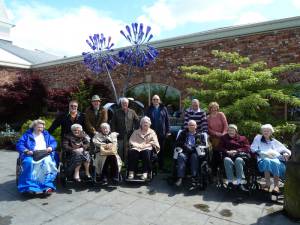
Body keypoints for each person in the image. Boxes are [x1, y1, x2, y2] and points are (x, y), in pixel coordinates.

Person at [16, 119, 57, 195]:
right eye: (38, 127)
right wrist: (26, 151)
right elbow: (19, 144)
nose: (40, 129)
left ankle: (47, 186)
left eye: (42, 127)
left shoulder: (46, 134)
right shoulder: (27, 135)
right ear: (34, 127)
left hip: (45, 153)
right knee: (28, 162)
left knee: (48, 163)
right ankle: (29, 187)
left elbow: (53, 142)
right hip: (31, 154)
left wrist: (51, 147)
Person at [251, 124, 291, 193]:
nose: (266, 132)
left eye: (268, 131)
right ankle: (267, 184)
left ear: (271, 132)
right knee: (267, 160)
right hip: (262, 160)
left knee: (274, 161)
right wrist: (264, 153)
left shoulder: (273, 141)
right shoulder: (258, 138)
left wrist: (286, 153)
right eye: (264, 131)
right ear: (262, 132)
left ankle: (276, 186)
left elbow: (285, 149)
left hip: (275, 161)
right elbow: (253, 148)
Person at [219, 124, 250, 191]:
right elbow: (220, 147)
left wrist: (237, 151)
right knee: (226, 160)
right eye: (229, 130)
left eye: (232, 130)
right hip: (228, 156)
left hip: (240, 157)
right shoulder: (223, 138)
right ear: (227, 131)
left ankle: (239, 183)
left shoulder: (242, 138)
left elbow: (247, 148)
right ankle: (230, 182)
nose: (231, 132)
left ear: (236, 131)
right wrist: (227, 151)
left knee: (238, 160)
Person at [174, 120, 202, 186]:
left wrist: (194, 147)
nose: (191, 126)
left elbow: (202, 144)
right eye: (190, 125)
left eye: (193, 125)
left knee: (194, 157)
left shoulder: (200, 134)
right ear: (187, 126)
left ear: (196, 126)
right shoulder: (183, 133)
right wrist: (185, 146)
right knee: (181, 156)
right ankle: (180, 178)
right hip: (185, 151)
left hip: (194, 152)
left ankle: (194, 177)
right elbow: (178, 142)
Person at [111, 97, 139, 162]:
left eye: (125, 103)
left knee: (128, 151)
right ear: (121, 104)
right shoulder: (116, 112)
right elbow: (112, 124)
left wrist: (135, 130)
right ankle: (120, 165)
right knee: (119, 151)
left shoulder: (132, 112)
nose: (124, 104)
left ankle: (127, 166)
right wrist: (114, 133)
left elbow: (137, 121)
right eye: (123, 103)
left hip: (129, 136)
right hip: (119, 135)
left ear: (128, 104)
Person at [146, 95, 170, 170]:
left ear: (159, 100)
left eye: (157, 99)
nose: (155, 101)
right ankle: (152, 166)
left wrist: (168, 131)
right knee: (152, 149)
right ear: (152, 101)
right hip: (151, 133)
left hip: (161, 133)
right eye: (154, 99)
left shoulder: (163, 108)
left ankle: (161, 166)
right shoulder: (149, 109)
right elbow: (145, 121)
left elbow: (167, 121)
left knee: (161, 150)